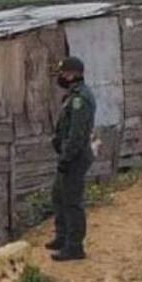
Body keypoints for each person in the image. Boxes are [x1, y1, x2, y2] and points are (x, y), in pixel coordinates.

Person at [48, 56, 97, 262]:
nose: (61, 76)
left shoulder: (80, 98)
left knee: (72, 201)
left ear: (73, 74)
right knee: (58, 195)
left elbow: (77, 134)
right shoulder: (72, 95)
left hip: (75, 156)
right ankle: (62, 237)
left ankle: (75, 246)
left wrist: (67, 157)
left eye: (63, 73)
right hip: (68, 155)